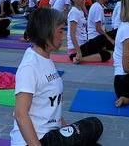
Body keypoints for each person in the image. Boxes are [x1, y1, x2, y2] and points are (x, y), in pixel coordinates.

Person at [12, 7, 104, 146]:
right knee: (94, 125)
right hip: (38, 140)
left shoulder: (45, 59)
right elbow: (20, 114)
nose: (63, 36)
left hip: (52, 135)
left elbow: (53, 110)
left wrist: (69, 132)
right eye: (60, 31)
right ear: (46, 32)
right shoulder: (30, 67)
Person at [66, 0, 111, 64]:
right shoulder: (74, 12)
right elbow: (72, 34)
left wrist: (83, 6)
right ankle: (78, 58)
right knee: (106, 55)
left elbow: (87, 16)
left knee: (104, 52)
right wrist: (79, 52)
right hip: (76, 49)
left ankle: (78, 57)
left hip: (83, 45)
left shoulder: (79, 11)